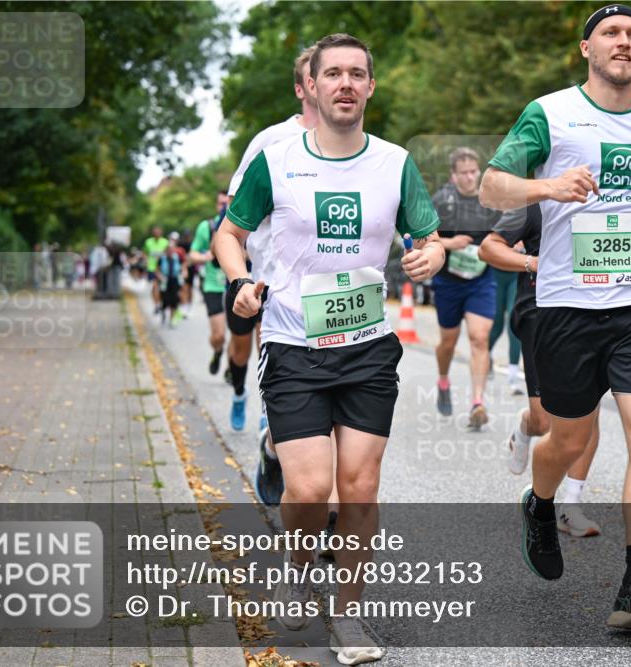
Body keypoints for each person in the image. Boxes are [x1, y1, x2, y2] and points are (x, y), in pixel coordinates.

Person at [480, 4, 631, 631]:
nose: (624, 42)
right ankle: (540, 501)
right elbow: (493, 187)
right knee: (571, 439)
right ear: (586, 48)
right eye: (611, 33)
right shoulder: (549, 112)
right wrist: (545, 188)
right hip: (566, 305)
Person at [214, 33, 444, 664]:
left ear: (371, 87)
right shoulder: (276, 159)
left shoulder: (395, 162)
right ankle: (296, 570)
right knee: (311, 489)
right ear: (311, 86)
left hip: (369, 348)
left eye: (357, 74)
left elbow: (429, 235)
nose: (345, 83)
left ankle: (347, 619)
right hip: (293, 343)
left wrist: (430, 253)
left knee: (359, 488)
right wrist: (239, 283)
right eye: (333, 74)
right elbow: (229, 234)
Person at [226, 44, 321, 503]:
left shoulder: (363, 145)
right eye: (317, 75)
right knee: (279, 350)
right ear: (303, 86)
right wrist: (241, 277)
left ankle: (328, 514)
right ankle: (274, 432)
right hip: (277, 279)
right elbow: (237, 212)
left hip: (341, 288)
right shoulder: (271, 142)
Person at [480, 204, 602, 537]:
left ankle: (570, 506)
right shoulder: (536, 204)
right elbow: (488, 247)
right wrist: (533, 262)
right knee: (544, 420)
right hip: (540, 314)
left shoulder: (610, 200)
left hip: (592, 313)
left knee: (589, 414)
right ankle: (524, 426)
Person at [430, 147, 501, 428]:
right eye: (464, 173)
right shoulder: (442, 201)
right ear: (453, 176)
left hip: (481, 280)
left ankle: (477, 403)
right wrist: (449, 243)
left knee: (479, 338)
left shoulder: (490, 200)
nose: (471, 177)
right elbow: (421, 238)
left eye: (474, 171)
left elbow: (505, 233)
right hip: (448, 281)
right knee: (448, 342)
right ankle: (443, 380)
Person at [189, 193, 229, 380]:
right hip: (213, 287)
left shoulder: (243, 223)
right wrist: (208, 256)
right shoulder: (207, 227)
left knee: (239, 335)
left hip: (235, 287)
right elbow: (193, 254)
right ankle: (218, 351)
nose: (223, 206)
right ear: (216, 205)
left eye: (227, 202)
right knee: (219, 335)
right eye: (221, 202)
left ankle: (235, 365)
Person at [487, 262, 524, 394]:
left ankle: (513, 378)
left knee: (513, 322)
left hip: (516, 271)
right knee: (496, 325)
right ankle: (487, 355)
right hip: (496, 270)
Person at [156, 238, 185, 327]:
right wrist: (160, 276)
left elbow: (183, 266)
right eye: (168, 250)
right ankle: (163, 312)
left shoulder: (177, 258)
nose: (170, 251)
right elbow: (157, 270)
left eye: (172, 250)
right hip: (165, 280)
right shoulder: (162, 259)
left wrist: (183, 273)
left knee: (174, 299)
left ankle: (172, 319)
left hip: (174, 280)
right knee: (165, 300)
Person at [144, 227, 169, 313]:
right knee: (154, 287)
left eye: (158, 232)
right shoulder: (148, 242)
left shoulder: (165, 242)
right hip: (152, 268)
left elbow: (168, 253)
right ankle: (157, 304)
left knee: (163, 287)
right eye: (155, 232)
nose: (156, 233)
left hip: (163, 269)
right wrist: (146, 260)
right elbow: (145, 253)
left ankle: (162, 301)